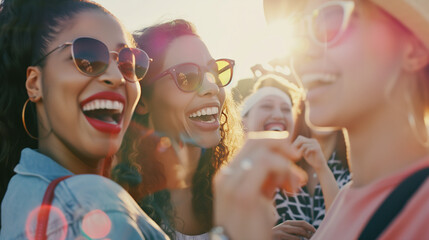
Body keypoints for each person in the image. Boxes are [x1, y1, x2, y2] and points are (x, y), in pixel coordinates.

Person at [213, 0, 429, 239]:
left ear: (414, 50)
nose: (302, 52)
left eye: (330, 22)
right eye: (299, 32)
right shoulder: (344, 200)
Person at [0, 0, 167, 239]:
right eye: (87, 57)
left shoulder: (20, 193)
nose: (116, 76)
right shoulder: (93, 206)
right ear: (35, 84)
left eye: (128, 62)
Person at [114, 19, 243, 240]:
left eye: (214, 72)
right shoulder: (121, 210)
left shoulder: (236, 198)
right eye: (188, 76)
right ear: (143, 100)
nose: (212, 87)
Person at [243, 74, 350, 239]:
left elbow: (345, 225)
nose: (277, 114)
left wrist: (322, 168)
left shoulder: (352, 166)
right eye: (317, 102)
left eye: (285, 109)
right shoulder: (281, 168)